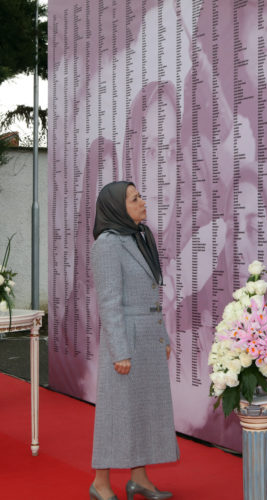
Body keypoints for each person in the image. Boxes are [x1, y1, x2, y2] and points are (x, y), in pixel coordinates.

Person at [89, 181, 178, 500]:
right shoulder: (108, 244)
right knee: (117, 412)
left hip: (148, 339)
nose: (143, 202)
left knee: (142, 411)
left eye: (141, 196)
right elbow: (110, 301)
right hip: (125, 341)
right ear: (116, 207)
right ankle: (100, 483)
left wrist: (163, 335)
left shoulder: (140, 238)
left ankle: (138, 479)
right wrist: (119, 352)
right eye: (134, 198)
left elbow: (151, 295)